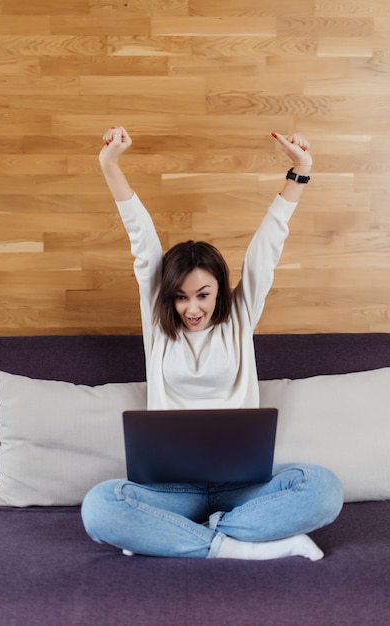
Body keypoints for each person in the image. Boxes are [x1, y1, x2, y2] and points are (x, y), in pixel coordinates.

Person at [81, 126, 343, 561]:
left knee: (323, 489)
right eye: (180, 297)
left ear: (220, 291)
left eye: (202, 295)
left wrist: (300, 171)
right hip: (171, 488)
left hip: (243, 486)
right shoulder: (158, 324)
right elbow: (142, 240)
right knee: (100, 506)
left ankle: (179, 538)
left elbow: (267, 248)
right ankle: (236, 547)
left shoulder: (239, 318)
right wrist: (109, 164)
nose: (191, 308)